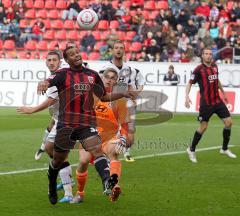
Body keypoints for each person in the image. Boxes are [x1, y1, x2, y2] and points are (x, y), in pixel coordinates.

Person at [37, 46, 133, 205]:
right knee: (58, 160)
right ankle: (52, 184)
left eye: (77, 52)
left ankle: (107, 182)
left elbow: (104, 96)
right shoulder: (62, 74)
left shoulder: (92, 75)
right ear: (67, 60)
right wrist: (43, 82)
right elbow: (49, 80)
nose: (76, 55)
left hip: (86, 122)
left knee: (97, 149)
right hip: (66, 124)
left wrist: (122, 93)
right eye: (72, 54)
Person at [17, 51, 74, 203]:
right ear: (45, 62)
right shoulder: (54, 78)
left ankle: (69, 193)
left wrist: (31, 110)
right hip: (59, 119)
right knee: (51, 150)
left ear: (60, 61)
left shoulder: (60, 76)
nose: (51, 62)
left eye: (54, 60)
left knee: (62, 155)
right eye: (48, 60)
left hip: (69, 121)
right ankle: (66, 177)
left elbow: (50, 101)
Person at [71, 68, 129, 203]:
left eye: (112, 78)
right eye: (107, 77)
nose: (109, 79)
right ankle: (80, 193)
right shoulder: (92, 96)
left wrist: (123, 137)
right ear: (102, 79)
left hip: (109, 138)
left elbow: (125, 123)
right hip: (89, 135)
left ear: (116, 81)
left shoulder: (119, 101)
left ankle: (113, 185)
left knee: (113, 152)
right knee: (83, 161)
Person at [185, 48, 236, 163]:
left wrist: (223, 93)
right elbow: (189, 83)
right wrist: (186, 96)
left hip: (217, 101)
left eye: (210, 54)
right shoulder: (198, 70)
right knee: (203, 128)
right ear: (202, 56)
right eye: (206, 54)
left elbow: (217, 81)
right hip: (206, 104)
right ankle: (191, 149)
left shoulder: (214, 66)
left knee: (229, 122)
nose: (208, 56)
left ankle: (224, 149)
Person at [99, 40, 145, 162]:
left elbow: (135, 85)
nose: (118, 50)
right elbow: (99, 88)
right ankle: (108, 157)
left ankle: (111, 153)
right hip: (109, 108)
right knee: (109, 135)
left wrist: (134, 95)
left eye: (121, 48)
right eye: (116, 47)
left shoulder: (129, 70)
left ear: (124, 51)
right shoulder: (104, 69)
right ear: (112, 50)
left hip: (125, 107)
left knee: (130, 140)